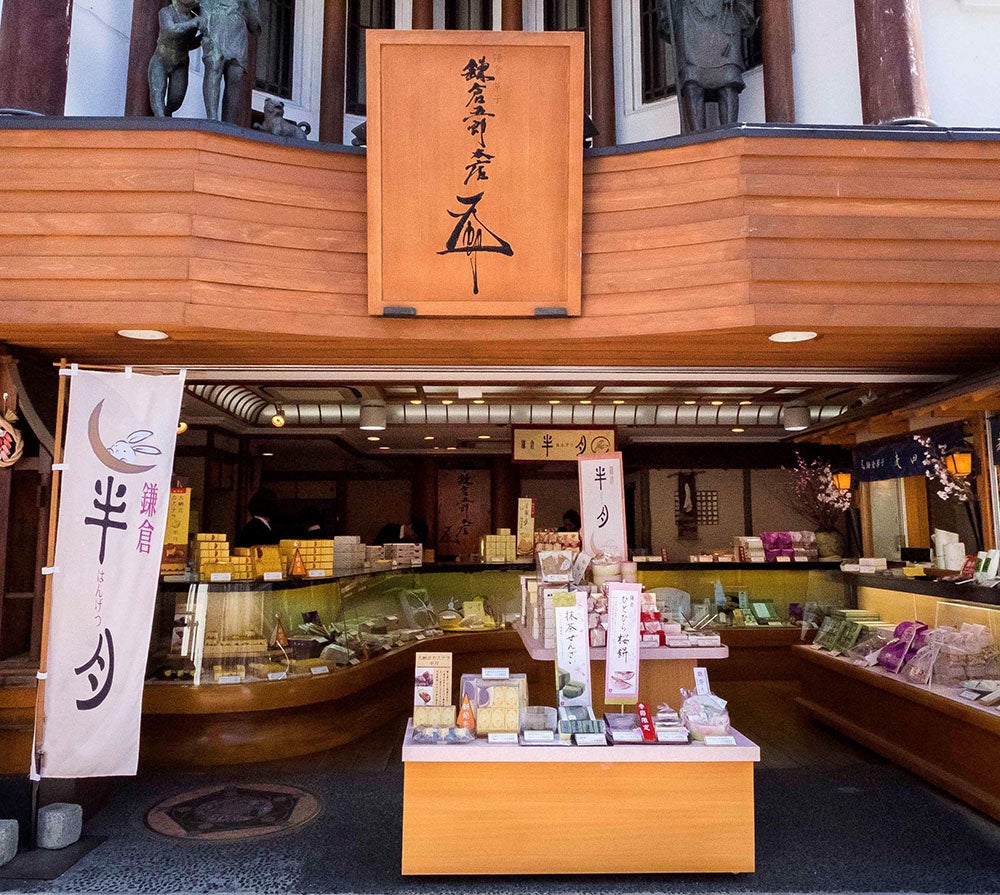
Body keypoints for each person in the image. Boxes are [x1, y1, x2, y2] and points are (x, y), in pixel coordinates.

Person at [656, 0, 756, 133]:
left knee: (729, 78)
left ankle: (731, 132)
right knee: (691, 79)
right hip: (689, 15)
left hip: (725, 14)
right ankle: (697, 135)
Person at [199, 0, 261, 123]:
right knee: (214, 67)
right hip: (215, 23)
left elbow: (254, 25)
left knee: (235, 74)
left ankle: (229, 122)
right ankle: (212, 119)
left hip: (237, 29)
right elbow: (204, 4)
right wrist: (204, 19)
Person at [148, 0, 202, 117]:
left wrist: (202, 38)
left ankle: (167, 114)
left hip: (181, 62)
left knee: (176, 99)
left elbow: (189, 43)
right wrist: (193, 23)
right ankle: (161, 122)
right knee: (157, 92)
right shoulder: (166, 12)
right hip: (161, 59)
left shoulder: (193, 17)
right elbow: (170, 30)